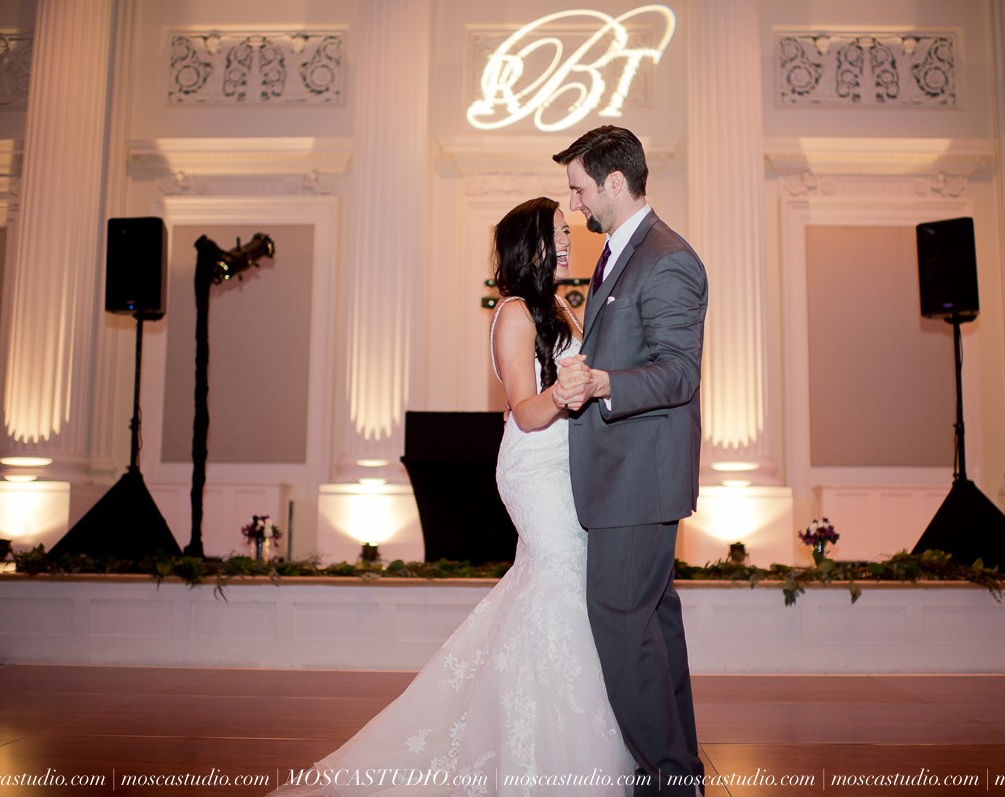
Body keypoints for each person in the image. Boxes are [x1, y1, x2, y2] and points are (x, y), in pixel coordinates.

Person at [267, 197, 633, 796]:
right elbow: (525, 409)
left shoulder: (560, 305)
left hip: (565, 465)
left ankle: (538, 725)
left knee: (558, 583)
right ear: (530, 244)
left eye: (568, 232)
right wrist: (571, 395)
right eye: (558, 233)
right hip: (534, 467)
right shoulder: (514, 313)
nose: (569, 241)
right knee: (559, 579)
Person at [551, 126, 708, 797]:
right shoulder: (622, 253)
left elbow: (679, 374)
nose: (575, 205)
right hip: (628, 476)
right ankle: (680, 774)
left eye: (580, 189)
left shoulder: (668, 258)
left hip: (639, 479)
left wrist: (603, 383)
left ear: (616, 182)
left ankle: (667, 777)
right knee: (652, 625)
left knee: (620, 622)